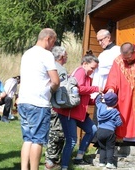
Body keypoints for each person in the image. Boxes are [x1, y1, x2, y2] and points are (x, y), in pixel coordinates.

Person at [17, 28, 60, 170]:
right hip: (39, 102)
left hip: (24, 100)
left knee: (27, 139)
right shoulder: (46, 55)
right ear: (48, 39)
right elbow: (55, 81)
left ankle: (24, 168)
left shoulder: (27, 53)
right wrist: (52, 91)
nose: (53, 45)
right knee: (38, 140)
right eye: (53, 42)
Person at [54, 52, 102, 170]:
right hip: (69, 113)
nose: (93, 71)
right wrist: (96, 89)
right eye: (92, 68)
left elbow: (83, 97)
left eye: (95, 69)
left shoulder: (86, 75)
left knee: (92, 130)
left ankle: (79, 158)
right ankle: (64, 166)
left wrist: (97, 100)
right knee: (71, 140)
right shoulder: (81, 71)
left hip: (78, 113)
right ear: (85, 64)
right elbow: (79, 89)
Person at [90, 29, 120, 165]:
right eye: (98, 41)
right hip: (102, 88)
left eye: (101, 40)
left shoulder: (117, 50)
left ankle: (114, 141)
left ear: (108, 38)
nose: (100, 43)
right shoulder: (103, 54)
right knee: (100, 114)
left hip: (113, 87)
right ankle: (99, 144)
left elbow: (115, 67)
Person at [45, 46, 68, 169]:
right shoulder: (60, 69)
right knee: (57, 133)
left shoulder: (47, 66)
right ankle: (51, 161)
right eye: (66, 55)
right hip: (56, 106)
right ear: (62, 56)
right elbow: (62, 88)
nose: (67, 58)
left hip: (45, 104)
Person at [95, 92, 122, 169]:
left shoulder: (100, 107)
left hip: (100, 131)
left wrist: (100, 95)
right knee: (110, 148)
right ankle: (109, 163)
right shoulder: (115, 112)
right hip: (110, 132)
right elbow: (119, 123)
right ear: (116, 103)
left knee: (102, 147)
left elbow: (97, 101)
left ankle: (101, 162)